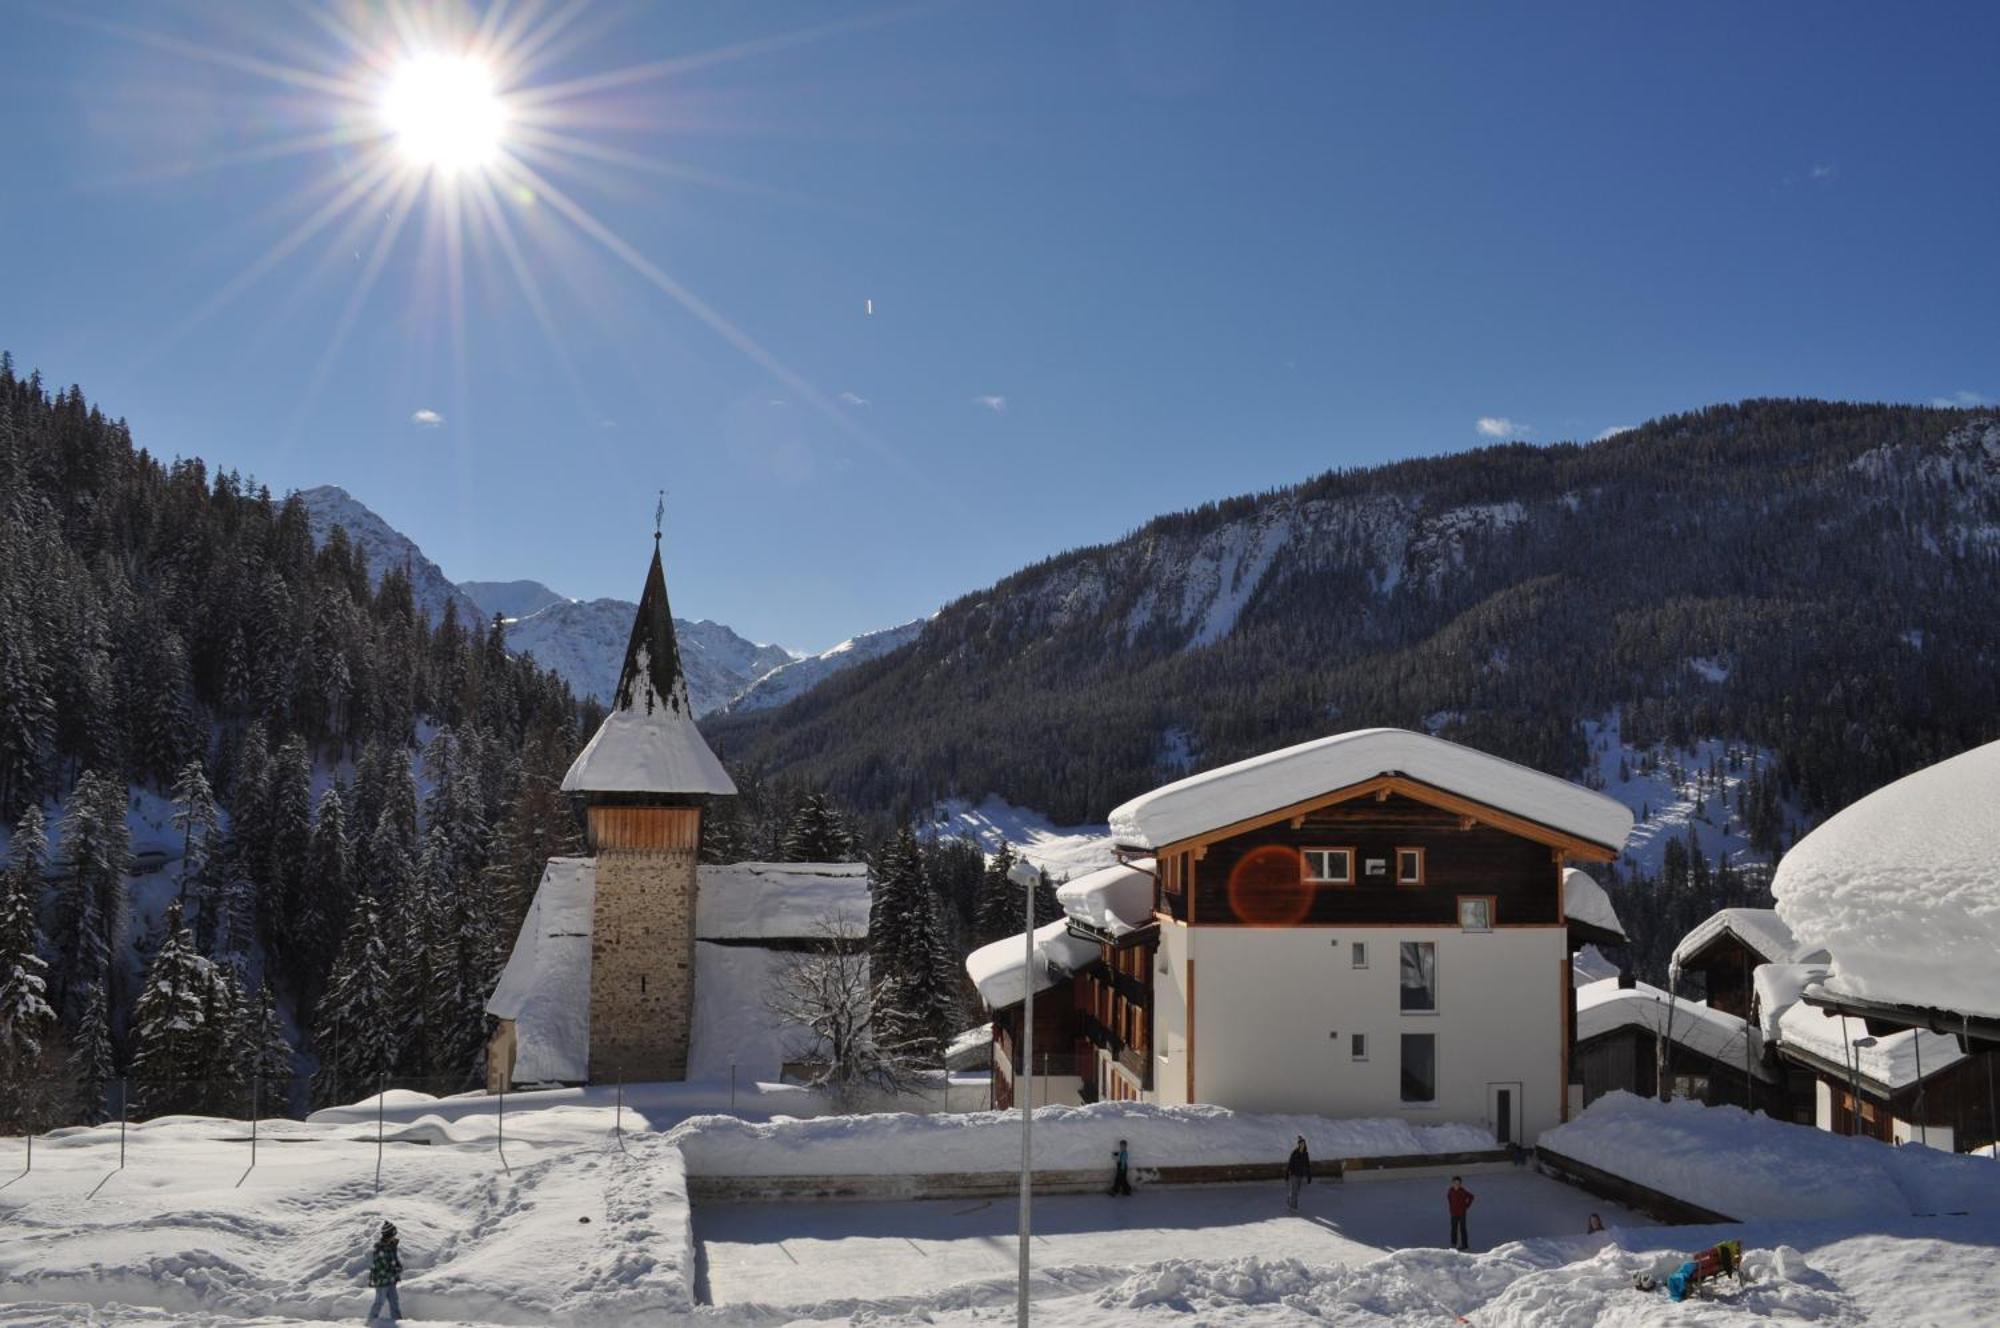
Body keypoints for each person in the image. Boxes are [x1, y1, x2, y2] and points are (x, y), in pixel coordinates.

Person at [367, 1221, 403, 1323]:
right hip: (382, 1281)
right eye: (393, 1234)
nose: (394, 1237)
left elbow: (393, 1260)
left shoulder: (391, 1246)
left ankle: (398, 1323)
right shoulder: (380, 1249)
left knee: (394, 1302)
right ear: (389, 1235)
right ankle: (370, 1323)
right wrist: (395, 1270)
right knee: (379, 1302)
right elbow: (380, 1269)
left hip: (391, 1280)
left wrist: (397, 1266)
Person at [1446, 1176, 1475, 1251]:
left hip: (1462, 1213)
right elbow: (1449, 1199)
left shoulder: (1462, 1191)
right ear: (1452, 1183)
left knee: (1462, 1229)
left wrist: (1466, 1206)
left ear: (1460, 1183)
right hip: (1453, 1213)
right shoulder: (1450, 1191)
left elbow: (1471, 1197)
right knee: (1453, 1229)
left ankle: (1465, 1245)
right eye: (1455, 1183)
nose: (1456, 1184)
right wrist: (1451, 1208)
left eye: (1458, 1183)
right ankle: (1453, 1244)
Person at [1285, 1135, 1312, 1211]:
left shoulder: (1305, 1154)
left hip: (1300, 1174)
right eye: (1301, 1143)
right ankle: (1294, 1207)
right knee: (1295, 1191)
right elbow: (1290, 1163)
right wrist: (1287, 1173)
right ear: (1299, 1144)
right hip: (1294, 1174)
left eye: (1303, 1143)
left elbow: (1307, 1165)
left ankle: (1289, 1200)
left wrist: (1309, 1176)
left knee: (1297, 1191)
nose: (1302, 1145)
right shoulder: (1295, 1152)